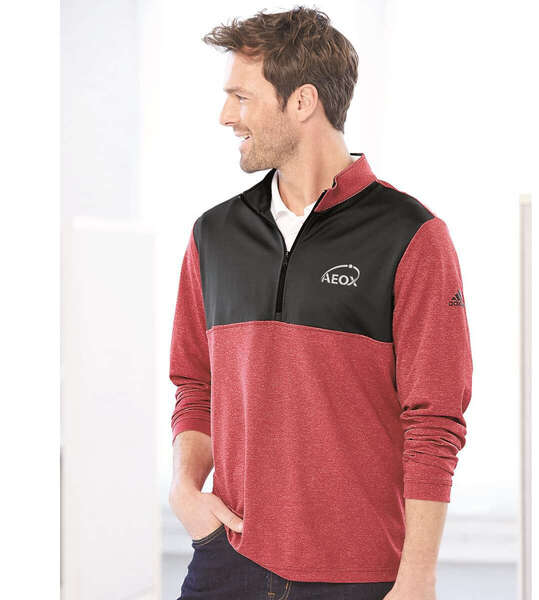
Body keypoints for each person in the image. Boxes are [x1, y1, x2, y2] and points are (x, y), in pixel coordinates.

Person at [168, 6, 473, 600]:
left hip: (360, 576)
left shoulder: (411, 235)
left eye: (242, 98)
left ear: (302, 101)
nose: (226, 116)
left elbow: (434, 421)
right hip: (228, 562)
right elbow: (194, 384)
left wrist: (418, 577)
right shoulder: (214, 235)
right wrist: (184, 489)